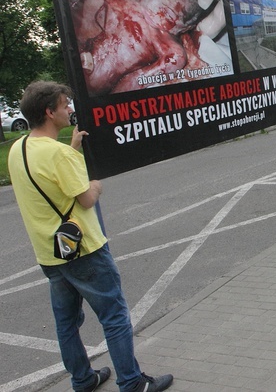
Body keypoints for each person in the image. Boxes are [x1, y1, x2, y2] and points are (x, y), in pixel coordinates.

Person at [7, 81, 173, 392]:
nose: (69, 109)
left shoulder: (18, 149)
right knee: (115, 317)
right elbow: (84, 198)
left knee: (67, 323)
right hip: (85, 251)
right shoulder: (58, 155)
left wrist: (71, 149)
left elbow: (48, 179)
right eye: (64, 105)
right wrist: (95, 185)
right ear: (49, 111)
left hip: (50, 254)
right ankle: (132, 382)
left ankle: (82, 380)